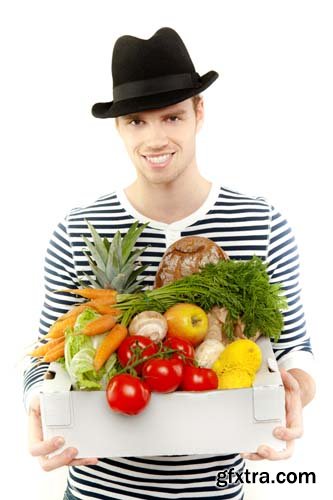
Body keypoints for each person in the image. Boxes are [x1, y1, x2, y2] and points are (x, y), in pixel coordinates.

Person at [24, 27, 316, 500]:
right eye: (137, 121)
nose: (155, 138)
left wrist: (293, 396)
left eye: (172, 117)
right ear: (118, 127)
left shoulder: (262, 222)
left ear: (199, 113)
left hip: (216, 492)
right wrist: (38, 405)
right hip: (99, 492)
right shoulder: (79, 229)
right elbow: (45, 356)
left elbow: (295, 348)